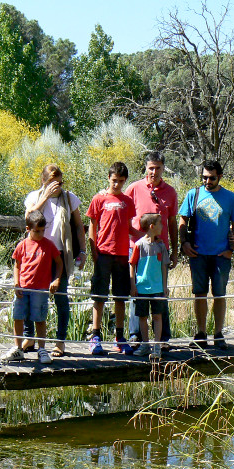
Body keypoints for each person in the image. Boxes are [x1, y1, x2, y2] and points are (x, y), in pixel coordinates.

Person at [178, 160, 234, 350]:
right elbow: (182, 221)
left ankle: (218, 334)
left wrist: (231, 249)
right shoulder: (193, 194)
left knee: (220, 295)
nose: (207, 181)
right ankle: (200, 334)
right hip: (198, 254)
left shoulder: (230, 198)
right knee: (199, 294)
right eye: (205, 177)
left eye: (212, 178)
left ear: (220, 177)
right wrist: (184, 244)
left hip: (220, 255)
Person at [24, 164, 86, 357]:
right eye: (52, 182)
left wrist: (82, 252)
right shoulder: (34, 197)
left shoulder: (69, 198)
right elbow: (29, 218)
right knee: (30, 295)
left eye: (59, 182)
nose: (56, 186)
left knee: (61, 298)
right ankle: (29, 337)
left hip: (60, 254)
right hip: (35, 255)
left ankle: (60, 341)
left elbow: (78, 226)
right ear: (44, 181)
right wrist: (44, 198)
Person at [86, 162, 142, 355]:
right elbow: (92, 226)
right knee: (99, 296)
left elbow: (129, 227)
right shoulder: (99, 199)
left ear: (125, 181)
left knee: (120, 297)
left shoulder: (128, 201)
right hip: (103, 253)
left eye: (120, 181)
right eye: (113, 180)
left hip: (122, 255)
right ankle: (95, 336)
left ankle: (120, 337)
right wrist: (93, 251)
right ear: (108, 178)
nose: (116, 184)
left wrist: (147, 236)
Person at [123, 151, 178, 348]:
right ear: (145, 168)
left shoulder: (170, 192)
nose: (154, 172)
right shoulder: (134, 188)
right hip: (137, 250)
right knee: (137, 292)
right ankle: (135, 335)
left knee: (160, 291)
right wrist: (139, 238)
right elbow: (123, 213)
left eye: (158, 168)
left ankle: (162, 338)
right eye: (151, 168)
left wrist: (175, 250)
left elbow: (172, 223)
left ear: (163, 169)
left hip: (160, 252)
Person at [1, 210, 63, 364]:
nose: (40, 234)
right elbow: (17, 265)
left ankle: (42, 349)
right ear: (28, 229)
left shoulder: (48, 245)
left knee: (40, 318)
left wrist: (56, 280)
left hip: (41, 289)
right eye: (37, 231)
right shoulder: (22, 245)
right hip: (23, 288)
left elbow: (59, 262)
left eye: (42, 231)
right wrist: (16, 283)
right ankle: (18, 349)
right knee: (18, 317)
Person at [129, 213, 169, 360]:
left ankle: (157, 346)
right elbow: (132, 265)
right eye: (160, 223)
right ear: (152, 227)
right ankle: (145, 344)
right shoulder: (139, 245)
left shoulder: (161, 246)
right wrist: (133, 285)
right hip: (142, 287)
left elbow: (164, 267)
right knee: (143, 317)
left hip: (157, 288)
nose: (162, 226)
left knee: (158, 316)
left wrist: (164, 286)